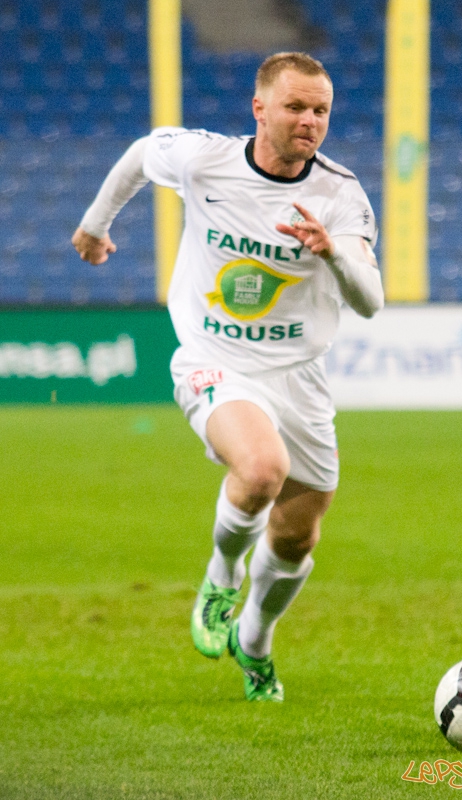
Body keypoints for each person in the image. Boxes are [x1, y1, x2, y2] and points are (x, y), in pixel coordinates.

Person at [72, 51, 384, 702]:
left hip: (298, 376)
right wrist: (95, 227)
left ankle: (255, 640)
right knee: (261, 469)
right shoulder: (204, 158)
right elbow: (138, 155)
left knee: (298, 535)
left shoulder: (337, 194)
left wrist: (330, 254)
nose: (309, 121)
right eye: (295, 107)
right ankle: (221, 576)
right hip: (214, 357)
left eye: (320, 110)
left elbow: (369, 300)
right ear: (260, 107)